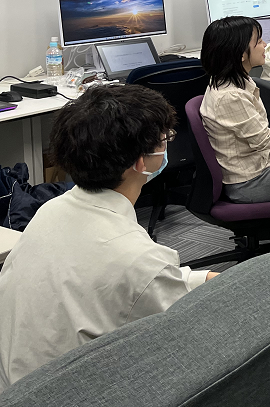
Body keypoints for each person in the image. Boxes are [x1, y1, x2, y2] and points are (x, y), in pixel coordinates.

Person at [0, 85, 218, 392]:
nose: (167, 145)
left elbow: (128, 279)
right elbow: (183, 313)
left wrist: (202, 278)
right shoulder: (139, 258)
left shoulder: (51, 211)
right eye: (165, 140)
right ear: (142, 162)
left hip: (17, 385)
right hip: (70, 393)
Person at [200, 16, 270, 203]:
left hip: (262, 164)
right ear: (241, 54)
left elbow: (265, 141)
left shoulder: (235, 81)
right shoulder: (231, 96)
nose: (265, 45)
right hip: (249, 182)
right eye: (259, 41)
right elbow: (267, 143)